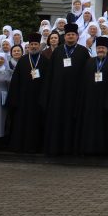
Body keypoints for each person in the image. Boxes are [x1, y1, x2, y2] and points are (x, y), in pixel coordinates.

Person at [41, 22, 89, 156]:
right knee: (57, 121)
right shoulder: (58, 51)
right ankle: (56, 148)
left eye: (73, 34)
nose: (70, 37)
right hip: (58, 94)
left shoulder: (83, 52)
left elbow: (87, 73)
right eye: (68, 35)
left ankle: (72, 149)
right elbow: (50, 73)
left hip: (75, 94)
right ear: (65, 36)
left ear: (77, 36)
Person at [6, 33, 45, 153]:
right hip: (23, 99)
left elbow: (48, 81)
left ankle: (34, 147)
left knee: (35, 123)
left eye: (36, 44)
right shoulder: (22, 60)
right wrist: (14, 99)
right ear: (28, 46)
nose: (33, 46)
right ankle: (19, 146)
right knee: (21, 123)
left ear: (39, 46)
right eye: (32, 44)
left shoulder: (45, 61)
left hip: (38, 99)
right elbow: (15, 81)